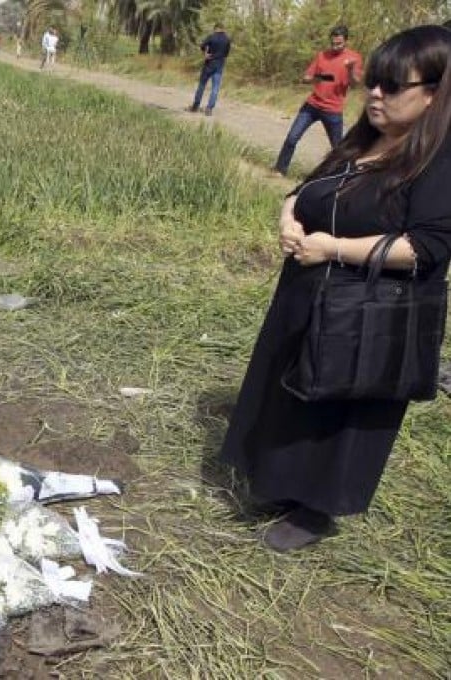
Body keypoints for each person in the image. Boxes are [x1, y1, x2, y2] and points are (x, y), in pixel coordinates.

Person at [220, 25, 451, 552]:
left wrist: (333, 249)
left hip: (369, 311)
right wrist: (289, 218)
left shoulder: (438, 161)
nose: (374, 94)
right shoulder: (362, 141)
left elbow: (427, 246)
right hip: (309, 293)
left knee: (341, 405)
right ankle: (279, 483)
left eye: (393, 86)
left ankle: (316, 508)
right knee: (293, 391)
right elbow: (305, 190)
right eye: (373, 82)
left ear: (433, 94)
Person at [273, 26, 364, 177]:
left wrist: (350, 69)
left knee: (338, 149)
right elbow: (306, 77)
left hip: (333, 110)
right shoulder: (322, 55)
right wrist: (316, 78)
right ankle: (279, 170)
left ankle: (342, 178)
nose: (335, 46)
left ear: (346, 41)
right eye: (333, 43)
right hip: (312, 105)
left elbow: (355, 84)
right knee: (292, 138)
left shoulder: (354, 58)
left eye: (339, 44)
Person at [189, 23, 231, 116]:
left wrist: (205, 53)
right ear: (223, 28)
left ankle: (195, 106)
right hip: (219, 65)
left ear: (215, 28)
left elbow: (202, 45)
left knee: (202, 85)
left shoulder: (212, 37)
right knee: (215, 88)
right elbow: (226, 54)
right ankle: (209, 109)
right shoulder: (227, 39)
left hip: (209, 64)